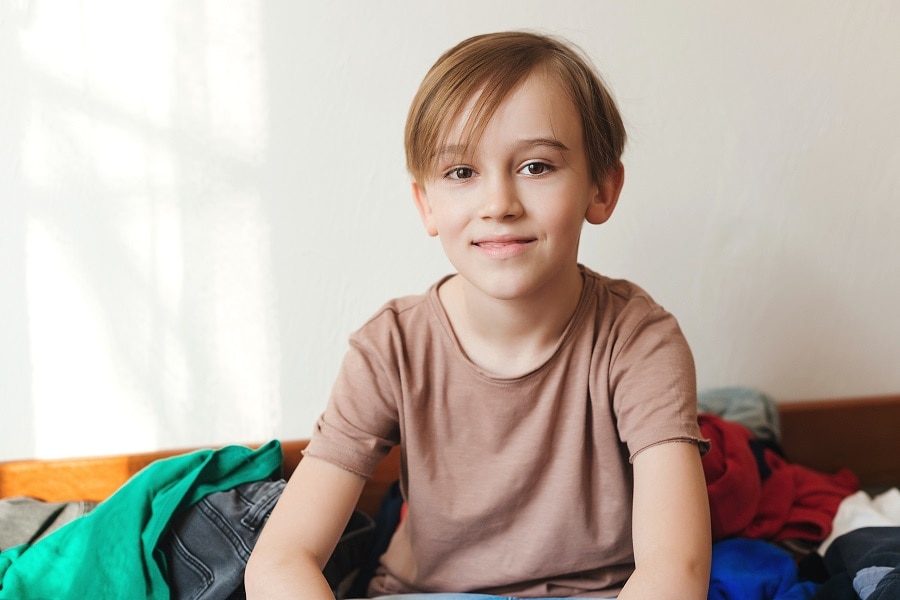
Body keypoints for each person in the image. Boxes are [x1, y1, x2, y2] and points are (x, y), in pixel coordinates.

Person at [245, 30, 711, 600]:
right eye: (462, 173)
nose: (499, 205)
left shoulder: (638, 340)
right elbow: (281, 560)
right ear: (427, 205)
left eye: (537, 166)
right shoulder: (392, 348)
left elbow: (676, 571)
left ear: (602, 188)